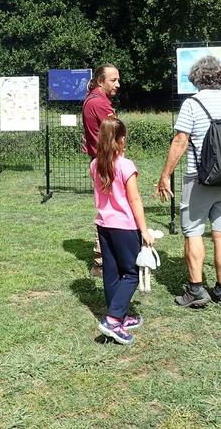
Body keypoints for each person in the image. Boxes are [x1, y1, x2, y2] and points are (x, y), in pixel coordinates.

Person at [156, 56, 221, 307]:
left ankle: (195, 291)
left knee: (193, 234)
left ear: (197, 79)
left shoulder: (192, 104)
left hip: (198, 179)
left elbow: (180, 141)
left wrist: (165, 174)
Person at [91, 117, 154, 345]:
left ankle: (120, 314)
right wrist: (144, 229)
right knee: (132, 273)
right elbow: (134, 199)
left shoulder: (94, 164)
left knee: (111, 271)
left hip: (104, 224)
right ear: (121, 140)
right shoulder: (126, 166)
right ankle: (113, 319)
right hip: (125, 226)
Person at [82, 64, 120, 277]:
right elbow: (116, 133)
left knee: (107, 207)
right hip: (106, 162)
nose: (117, 84)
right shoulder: (99, 103)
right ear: (99, 80)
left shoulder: (93, 99)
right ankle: (101, 260)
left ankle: (103, 258)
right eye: (113, 80)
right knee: (109, 209)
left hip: (101, 160)